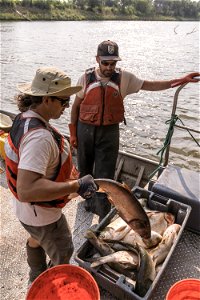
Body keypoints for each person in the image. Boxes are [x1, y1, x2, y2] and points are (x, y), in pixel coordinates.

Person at [69, 39, 199, 218]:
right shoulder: (85, 78)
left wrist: (180, 80)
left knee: (105, 174)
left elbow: (150, 85)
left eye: (113, 63)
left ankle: (102, 209)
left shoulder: (125, 78)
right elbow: (75, 106)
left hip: (109, 132)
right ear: (97, 59)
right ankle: (87, 202)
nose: (109, 67)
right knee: (84, 169)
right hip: (85, 129)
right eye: (105, 63)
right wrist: (72, 133)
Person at [4, 67, 98, 285]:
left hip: (25, 212)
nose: (67, 107)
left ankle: (35, 273)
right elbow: (27, 189)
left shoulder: (23, 118)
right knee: (64, 251)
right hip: (42, 214)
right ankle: (46, 284)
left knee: (37, 238)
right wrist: (75, 185)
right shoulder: (40, 139)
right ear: (46, 100)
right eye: (63, 101)